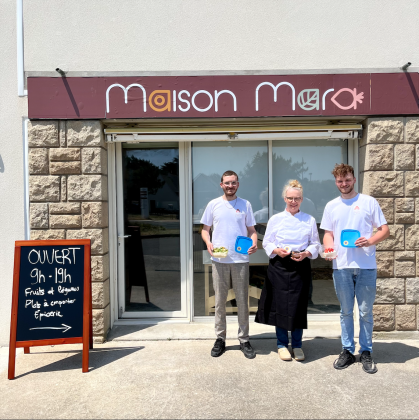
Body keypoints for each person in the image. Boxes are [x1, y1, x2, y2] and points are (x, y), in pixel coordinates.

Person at [321, 163, 389, 374]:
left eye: (347, 179)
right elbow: (327, 233)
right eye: (340, 181)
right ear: (336, 182)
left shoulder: (368, 202)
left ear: (354, 179)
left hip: (366, 266)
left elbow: (384, 230)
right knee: (345, 311)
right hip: (341, 266)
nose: (344, 183)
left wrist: (369, 241)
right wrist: (328, 248)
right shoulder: (331, 205)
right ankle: (348, 350)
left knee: (366, 311)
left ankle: (366, 350)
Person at [255, 180, 320, 361]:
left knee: (298, 305)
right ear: (284, 198)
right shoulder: (275, 219)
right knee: (280, 305)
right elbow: (267, 242)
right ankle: (282, 344)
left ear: (302, 199)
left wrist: (306, 253)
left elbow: (316, 244)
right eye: (290, 198)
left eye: (297, 198)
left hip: (300, 264)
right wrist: (276, 250)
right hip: (279, 265)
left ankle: (298, 345)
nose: (293, 201)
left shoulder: (309, 219)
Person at [201, 170, 258, 359]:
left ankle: (244, 339)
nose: (230, 186)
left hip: (240, 259)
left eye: (233, 183)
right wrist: (208, 243)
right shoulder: (213, 205)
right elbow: (205, 230)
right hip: (219, 259)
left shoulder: (245, 204)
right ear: (221, 185)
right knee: (220, 301)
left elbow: (251, 230)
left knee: (242, 301)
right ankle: (220, 339)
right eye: (227, 183)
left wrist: (255, 242)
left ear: (238, 184)